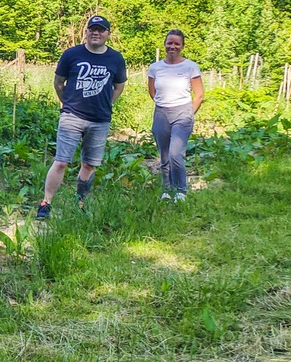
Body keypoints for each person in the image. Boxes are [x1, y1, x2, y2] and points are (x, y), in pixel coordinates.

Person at [36, 15, 127, 220]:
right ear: (86, 32)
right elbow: (59, 82)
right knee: (61, 161)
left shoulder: (116, 58)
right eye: (92, 29)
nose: (96, 33)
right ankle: (46, 203)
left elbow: (119, 85)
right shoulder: (72, 54)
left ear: (108, 34)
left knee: (89, 164)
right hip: (72, 116)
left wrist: (107, 103)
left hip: (100, 120)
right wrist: (66, 103)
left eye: (101, 30)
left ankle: (81, 202)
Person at [147, 29, 203, 201]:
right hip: (161, 113)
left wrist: (188, 114)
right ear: (164, 44)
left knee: (175, 154)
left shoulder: (190, 67)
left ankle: (180, 191)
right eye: (169, 43)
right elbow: (152, 92)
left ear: (182, 46)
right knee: (164, 156)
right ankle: (167, 190)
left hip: (183, 113)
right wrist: (164, 105)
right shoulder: (155, 68)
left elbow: (199, 95)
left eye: (176, 43)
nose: (173, 46)